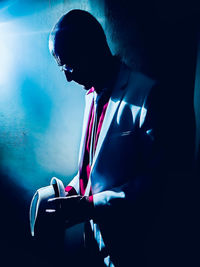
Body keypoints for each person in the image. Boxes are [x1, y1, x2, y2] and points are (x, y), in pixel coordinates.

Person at [46, 9, 166, 267]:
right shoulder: (90, 93)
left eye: (68, 65)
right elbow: (93, 167)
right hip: (95, 244)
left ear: (90, 49)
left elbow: (156, 184)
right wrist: (70, 192)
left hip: (133, 248)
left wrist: (90, 206)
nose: (67, 77)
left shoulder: (148, 95)